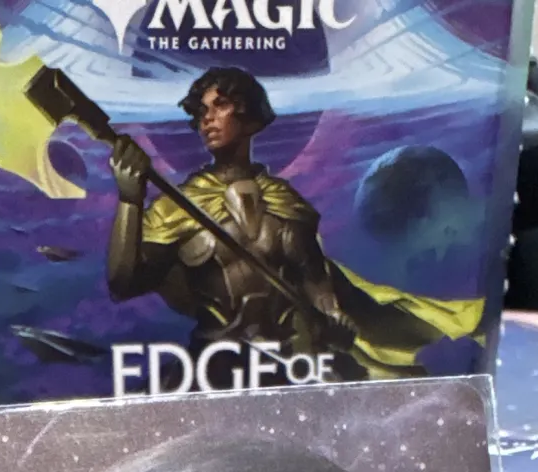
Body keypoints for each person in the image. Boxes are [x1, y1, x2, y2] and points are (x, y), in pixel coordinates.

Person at [107, 67, 478, 379]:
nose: (207, 119)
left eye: (220, 106)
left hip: (294, 369)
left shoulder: (288, 204)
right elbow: (124, 283)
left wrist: (334, 320)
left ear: (250, 117)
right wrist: (130, 199)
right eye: (202, 110)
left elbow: (317, 284)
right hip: (214, 369)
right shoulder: (178, 207)